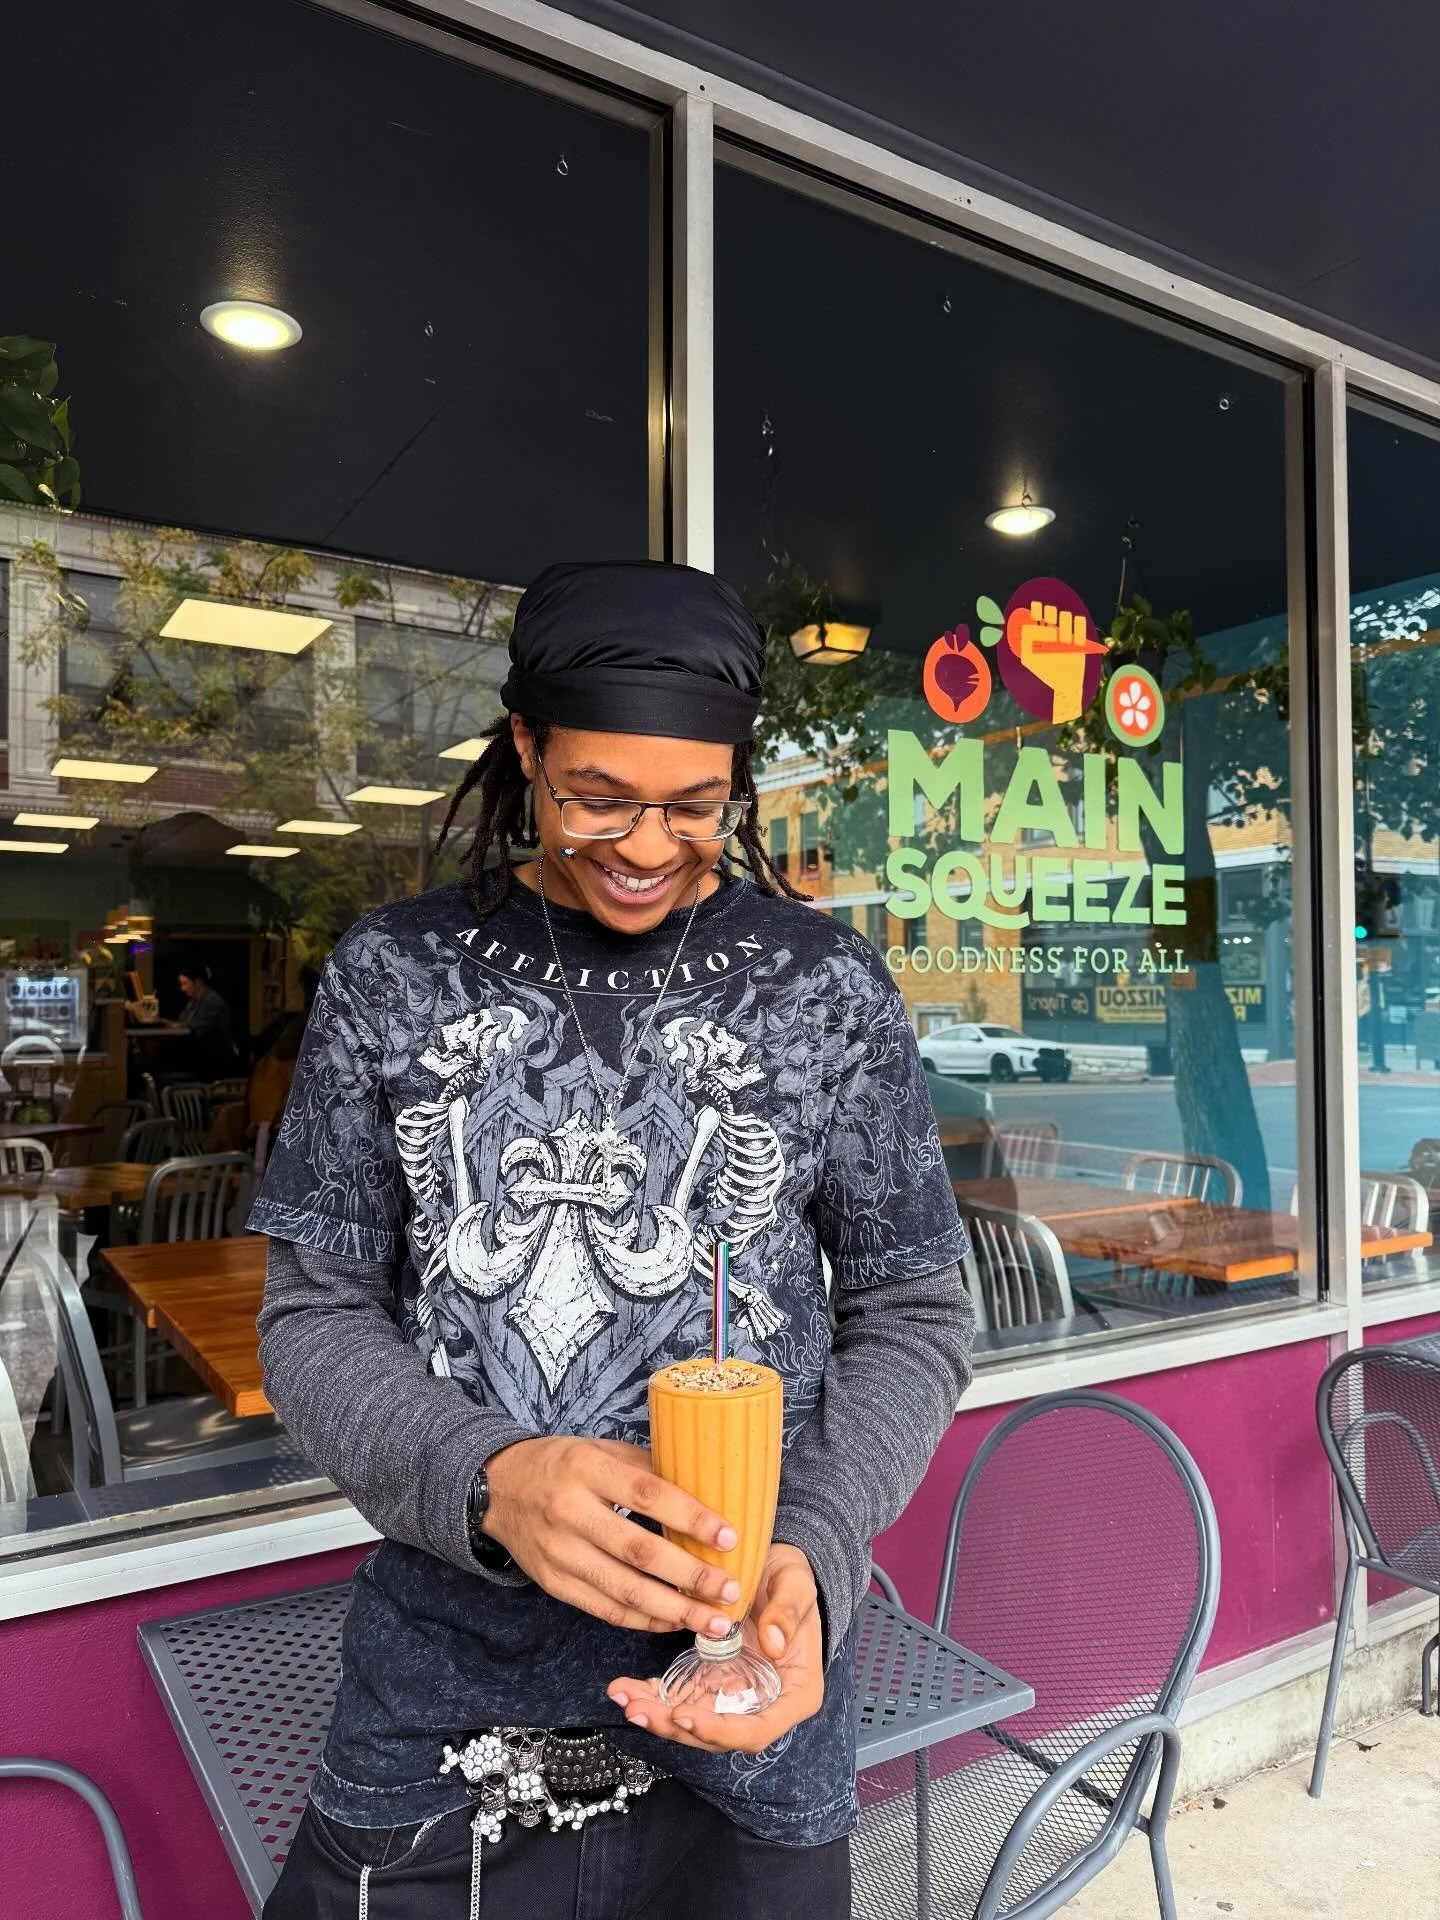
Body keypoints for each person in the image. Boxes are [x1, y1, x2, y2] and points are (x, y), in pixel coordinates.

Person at [248, 561, 975, 1918]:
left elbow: (914, 1314)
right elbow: (314, 1315)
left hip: (748, 1701)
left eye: (696, 809)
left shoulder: (825, 985)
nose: (647, 847)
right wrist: (485, 1478)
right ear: (525, 748)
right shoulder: (394, 975)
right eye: (598, 798)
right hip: (440, 1718)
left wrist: (811, 1540)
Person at [166, 958, 237, 1083]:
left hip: (212, 1062)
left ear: (197, 982)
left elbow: (191, 1027)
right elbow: (182, 1021)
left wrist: (173, 1025)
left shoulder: (211, 1001)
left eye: (185, 983)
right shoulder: (194, 1002)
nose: (183, 989)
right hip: (201, 1058)